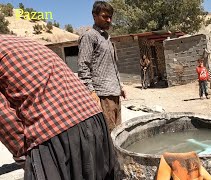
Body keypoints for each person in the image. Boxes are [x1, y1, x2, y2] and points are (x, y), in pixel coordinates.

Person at [0, 35, 115, 179]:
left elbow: (4, 118)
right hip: (94, 118)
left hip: (55, 131)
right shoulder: (18, 40)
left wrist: (26, 157)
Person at [78, 1, 126, 131]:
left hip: (114, 92)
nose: (109, 20)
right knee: (109, 133)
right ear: (94, 16)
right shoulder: (90, 36)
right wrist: (91, 92)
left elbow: (113, 66)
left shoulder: (106, 38)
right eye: (105, 16)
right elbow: (83, 66)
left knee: (118, 131)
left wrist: (120, 86)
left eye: (110, 17)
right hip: (103, 95)